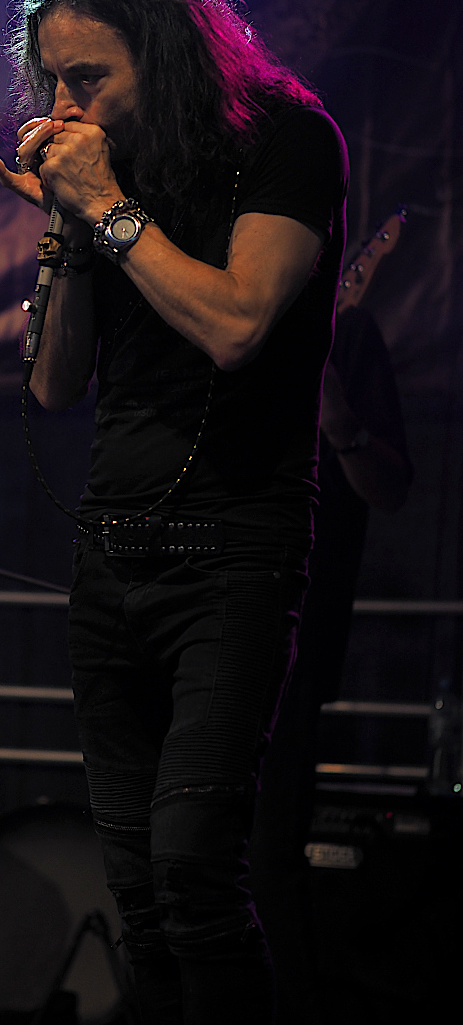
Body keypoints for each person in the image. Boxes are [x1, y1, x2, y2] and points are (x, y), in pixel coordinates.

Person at [0, 0, 348, 1023]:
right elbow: (55, 383)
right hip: (113, 554)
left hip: (233, 547)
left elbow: (237, 324)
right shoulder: (109, 177)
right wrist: (68, 226)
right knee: (140, 896)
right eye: (51, 80)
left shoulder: (287, 139)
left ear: (168, 54)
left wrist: (105, 207)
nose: (65, 106)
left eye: (89, 78)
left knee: (195, 867)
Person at [249, 302, 412, 1023]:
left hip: (287, 642)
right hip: (181, 622)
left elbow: (392, 488)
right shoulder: (188, 308)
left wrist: (339, 418)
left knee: (267, 863)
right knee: (169, 855)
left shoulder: (347, 333)